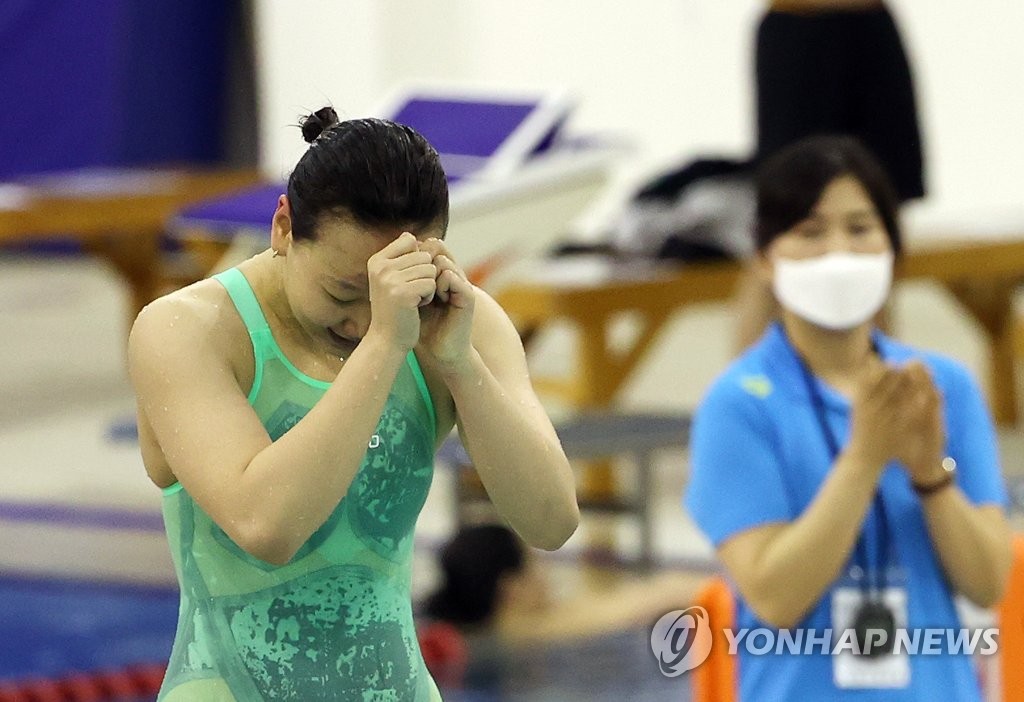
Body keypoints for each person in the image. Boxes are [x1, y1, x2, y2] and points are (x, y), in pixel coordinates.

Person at [128, 107, 580, 701]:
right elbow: (267, 525)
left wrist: (461, 367)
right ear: (284, 228)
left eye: (394, 293)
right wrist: (388, 343)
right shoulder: (189, 331)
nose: (364, 318)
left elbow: (551, 522)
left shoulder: (457, 326)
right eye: (345, 291)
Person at [685, 135, 1013, 701]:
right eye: (812, 232)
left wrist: (931, 473)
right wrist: (863, 458)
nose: (839, 250)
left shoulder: (940, 387)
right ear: (765, 258)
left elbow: (988, 584)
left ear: (891, 248)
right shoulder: (738, 404)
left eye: (861, 228)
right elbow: (776, 597)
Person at [736, 0, 926, 351]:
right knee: (782, 223)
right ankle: (744, 393)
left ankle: (876, 381)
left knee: (877, 226)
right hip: (798, 27)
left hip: (870, 31)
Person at [420, 523, 705, 694]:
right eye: (533, 562)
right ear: (512, 589)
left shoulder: (460, 632)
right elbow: (661, 595)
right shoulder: (539, 631)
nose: (545, 572)